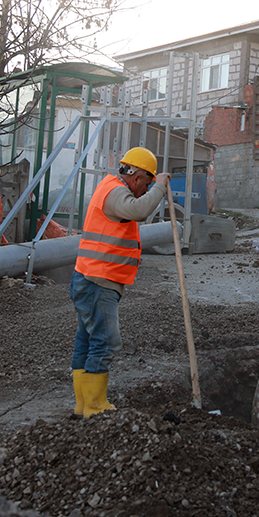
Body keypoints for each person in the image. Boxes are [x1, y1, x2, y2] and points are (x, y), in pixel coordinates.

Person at [71, 146, 171, 418]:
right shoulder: (116, 192)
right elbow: (137, 210)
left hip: (91, 276)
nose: (145, 189)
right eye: (147, 183)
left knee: (87, 340)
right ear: (137, 177)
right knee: (104, 341)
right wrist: (160, 188)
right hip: (98, 280)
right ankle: (94, 406)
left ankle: (83, 406)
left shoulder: (111, 186)